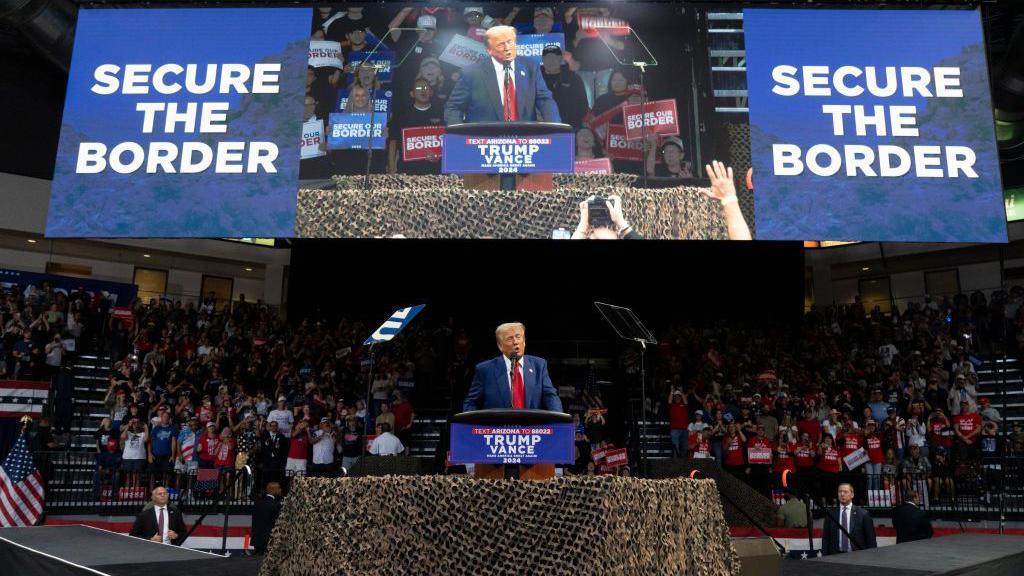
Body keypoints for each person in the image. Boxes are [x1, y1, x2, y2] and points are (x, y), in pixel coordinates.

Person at [444, 25, 561, 125]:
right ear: (489, 50)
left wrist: (556, 129)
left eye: (510, 42)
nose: (507, 48)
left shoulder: (530, 67)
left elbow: (545, 100)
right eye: (501, 44)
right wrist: (459, 136)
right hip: (484, 143)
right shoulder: (472, 73)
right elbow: (454, 108)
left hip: (524, 141)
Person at [463, 322, 563, 412]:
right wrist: (471, 427)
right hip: (497, 429)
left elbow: (550, 396)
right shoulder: (485, 370)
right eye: (510, 338)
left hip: (531, 429)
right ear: (500, 346)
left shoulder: (539, 365)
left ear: (524, 341)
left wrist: (560, 421)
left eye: (518, 337)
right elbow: (472, 402)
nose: (516, 342)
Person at [820, 483, 877, 555]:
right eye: (840, 491)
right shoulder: (830, 514)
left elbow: (871, 539)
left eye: (845, 492)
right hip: (835, 557)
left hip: (857, 557)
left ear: (852, 495)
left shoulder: (863, 514)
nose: (842, 494)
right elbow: (826, 538)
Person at [540, 44, 588, 129]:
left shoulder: (573, 78)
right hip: (542, 127)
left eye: (555, 57)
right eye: (548, 57)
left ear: (561, 59)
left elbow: (583, 106)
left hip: (569, 127)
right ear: (543, 60)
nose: (551, 60)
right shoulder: (536, 80)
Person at [251, 482, 283, 555]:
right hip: (269, 540)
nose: (281, 490)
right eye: (279, 488)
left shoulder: (258, 502)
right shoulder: (276, 505)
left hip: (257, 539)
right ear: (274, 490)